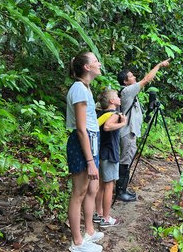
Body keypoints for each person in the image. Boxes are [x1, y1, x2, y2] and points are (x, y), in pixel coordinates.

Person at [116, 59, 170, 202]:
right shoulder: (127, 91)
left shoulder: (128, 92)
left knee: (127, 160)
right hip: (127, 133)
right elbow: (147, 79)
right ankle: (120, 192)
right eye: (131, 76)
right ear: (125, 81)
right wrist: (158, 65)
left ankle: (122, 189)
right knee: (125, 161)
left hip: (129, 132)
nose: (134, 78)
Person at [66, 51, 104, 252]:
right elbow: (81, 128)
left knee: (92, 189)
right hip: (83, 143)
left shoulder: (85, 88)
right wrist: (90, 161)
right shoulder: (79, 89)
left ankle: (88, 232)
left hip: (92, 142)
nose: (99, 63)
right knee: (79, 193)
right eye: (96, 61)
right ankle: (77, 242)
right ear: (87, 67)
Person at [94, 89, 127, 227]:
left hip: (101, 153)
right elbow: (108, 127)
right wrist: (123, 123)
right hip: (109, 154)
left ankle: (98, 213)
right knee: (109, 186)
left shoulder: (101, 113)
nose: (119, 98)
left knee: (102, 185)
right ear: (112, 101)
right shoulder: (113, 114)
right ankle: (106, 218)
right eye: (117, 97)